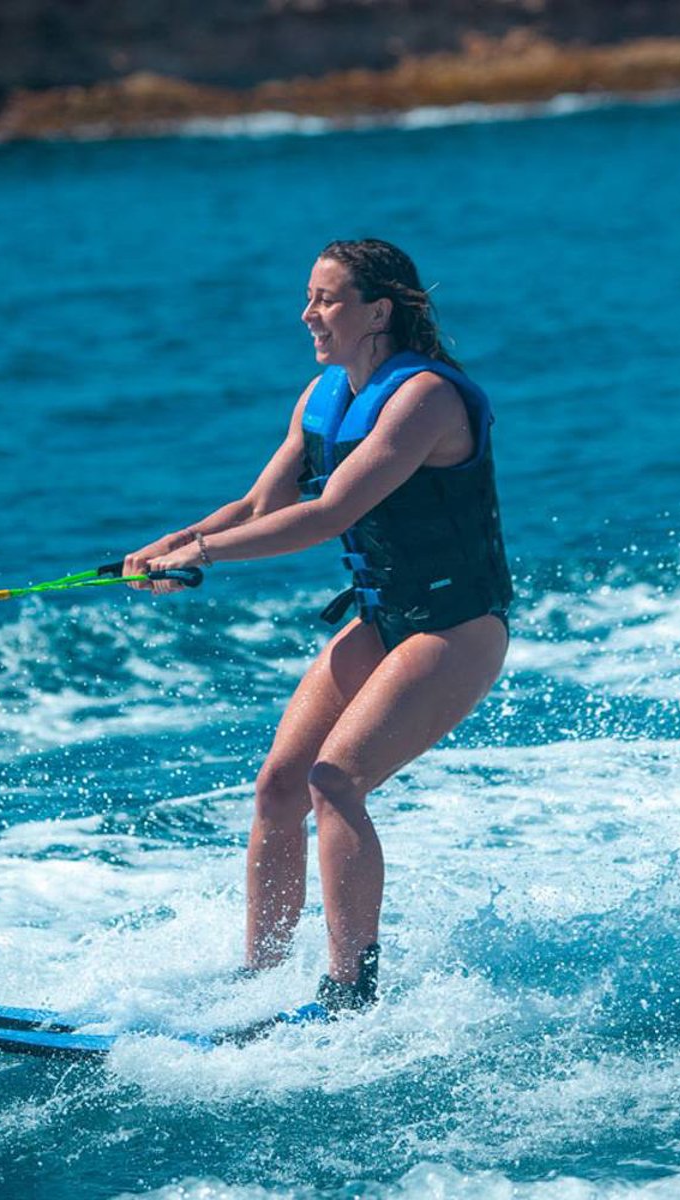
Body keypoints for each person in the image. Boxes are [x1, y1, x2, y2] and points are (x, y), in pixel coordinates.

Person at [124, 238, 513, 1016]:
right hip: (383, 618)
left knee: (336, 780)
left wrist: (203, 554)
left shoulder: (427, 398)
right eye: (309, 297)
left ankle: (349, 991)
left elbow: (332, 512)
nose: (308, 314)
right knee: (278, 789)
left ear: (379, 310)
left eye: (327, 299)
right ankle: (260, 983)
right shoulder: (321, 398)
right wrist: (167, 547)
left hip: (457, 625)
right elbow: (259, 508)